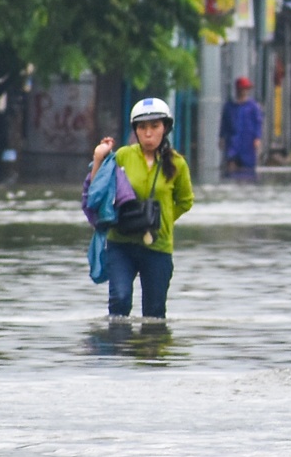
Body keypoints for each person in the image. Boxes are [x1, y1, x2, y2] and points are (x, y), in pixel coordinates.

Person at [89, 97, 194, 318]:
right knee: (120, 300)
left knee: (154, 312)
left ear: (165, 128)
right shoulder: (123, 156)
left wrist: (161, 218)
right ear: (135, 130)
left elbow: (185, 201)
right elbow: (97, 190)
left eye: (154, 126)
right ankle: (118, 347)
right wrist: (99, 157)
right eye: (142, 127)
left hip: (158, 245)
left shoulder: (177, 163)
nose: (148, 133)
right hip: (121, 241)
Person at [218, 76, 264, 179]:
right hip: (232, 143)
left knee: (248, 171)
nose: (244, 91)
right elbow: (224, 123)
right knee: (230, 167)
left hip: (247, 144)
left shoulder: (253, 107)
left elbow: (258, 123)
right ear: (238, 89)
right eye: (243, 89)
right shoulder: (229, 106)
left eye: (246, 89)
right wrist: (221, 137)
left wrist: (257, 138)